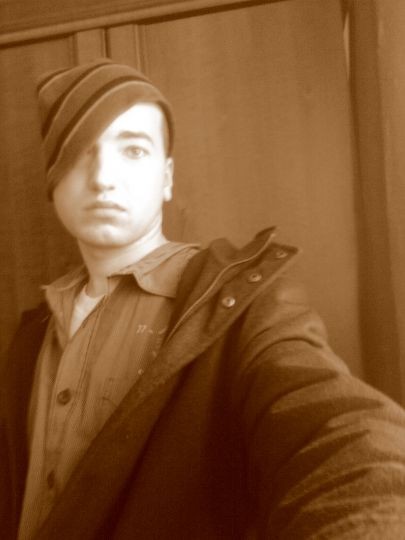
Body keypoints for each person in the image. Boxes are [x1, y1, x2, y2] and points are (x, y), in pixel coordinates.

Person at [2, 58, 405, 540]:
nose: (103, 176)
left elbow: (338, 433)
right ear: (52, 180)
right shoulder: (31, 334)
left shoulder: (242, 306)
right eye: (78, 152)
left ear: (167, 177)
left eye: (133, 150)